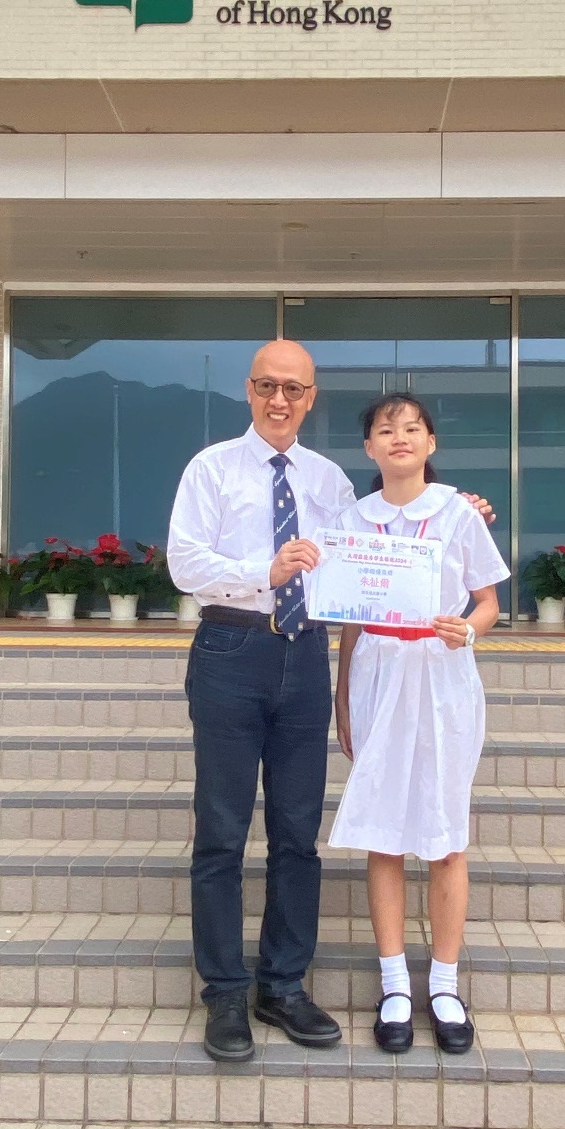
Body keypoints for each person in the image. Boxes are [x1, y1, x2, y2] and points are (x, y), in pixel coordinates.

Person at [167, 342, 493, 1062]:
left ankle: (282, 985)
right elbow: (183, 564)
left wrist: (457, 510)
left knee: (296, 832)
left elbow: (381, 549)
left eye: (293, 389)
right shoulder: (211, 468)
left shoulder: (329, 482)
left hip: (304, 654)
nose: (279, 400)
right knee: (221, 830)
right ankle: (224, 992)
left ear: (310, 398)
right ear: (248, 391)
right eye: (267, 386)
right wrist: (265, 568)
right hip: (229, 648)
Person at [331, 392, 510, 1055]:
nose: (399, 437)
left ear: (430, 443)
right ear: (369, 448)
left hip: (441, 674)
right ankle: (393, 985)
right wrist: (343, 697)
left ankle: (443, 983)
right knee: (383, 835)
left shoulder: (458, 513)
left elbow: (488, 601)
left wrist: (469, 629)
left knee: (444, 837)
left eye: (412, 428)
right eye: (386, 429)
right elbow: (352, 617)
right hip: (378, 674)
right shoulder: (353, 520)